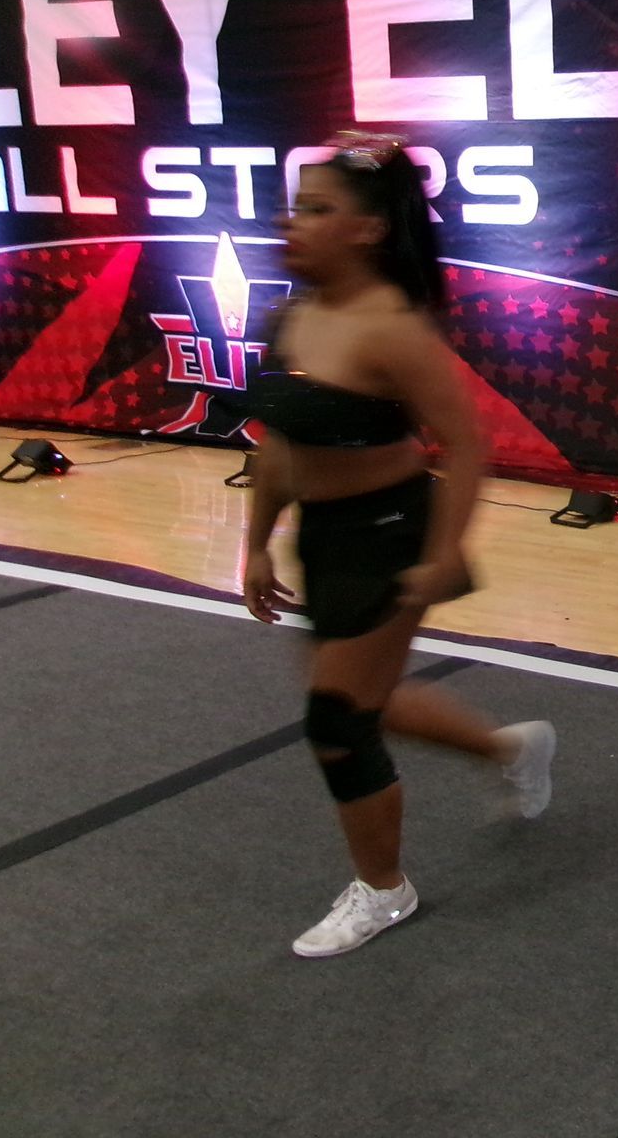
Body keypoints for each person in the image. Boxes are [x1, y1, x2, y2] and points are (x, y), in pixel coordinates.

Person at [242, 132, 555, 958]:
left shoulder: (395, 330)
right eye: (295, 207)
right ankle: (508, 747)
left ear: (367, 229)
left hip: (391, 536)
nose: (293, 223)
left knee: (339, 720)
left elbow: (468, 444)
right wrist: (256, 544)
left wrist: (441, 554)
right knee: (367, 701)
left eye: (317, 210)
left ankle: (384, 891)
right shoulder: (295, 313)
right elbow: (278, 446)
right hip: (324, 537)